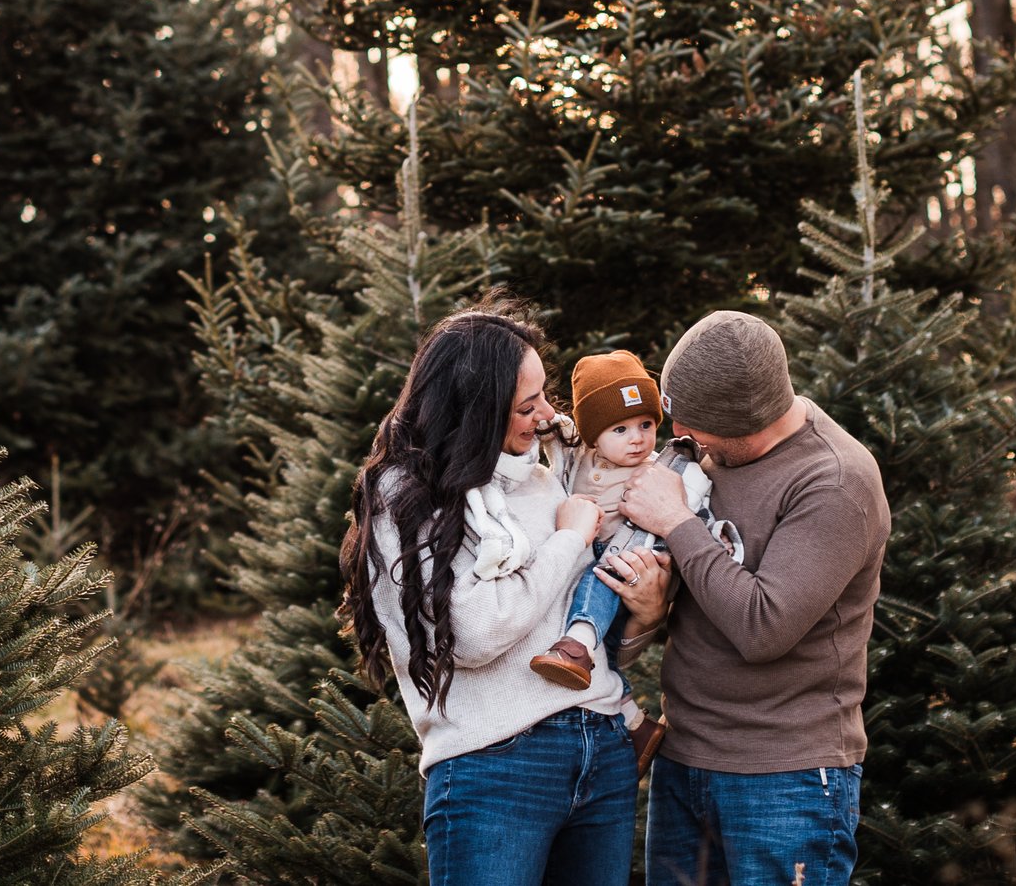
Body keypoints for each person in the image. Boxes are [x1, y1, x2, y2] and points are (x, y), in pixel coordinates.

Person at [342, 306, 675, 886]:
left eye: (544, 396)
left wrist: (645, 615)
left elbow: (582, 640)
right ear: (477, 409)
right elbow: (472, 635)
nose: (548, 416)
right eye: (528, 406)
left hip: (602, 745)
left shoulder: (545, 481)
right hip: (497, 764)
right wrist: (570, 537)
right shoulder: (408, 497)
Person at [617, 310, 890, 886]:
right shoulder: (707, 459)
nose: (677, 438)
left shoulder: (834, 481)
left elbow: (763, 627)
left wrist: (675, 521)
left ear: (744, 423)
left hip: (784, 778)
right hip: (684, 759)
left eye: (692, 427)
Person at [524, 349, 720, 772]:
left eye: (646, 425)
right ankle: (634, 721)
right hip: (580, 554)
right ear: (595, 435)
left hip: (629, 558)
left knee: (602, 575)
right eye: (621, 428)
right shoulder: (579, 457)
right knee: (604, 650)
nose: (637, 438)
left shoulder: (661, 472)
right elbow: (554, 433)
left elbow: (697, 512)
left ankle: (576, 646)